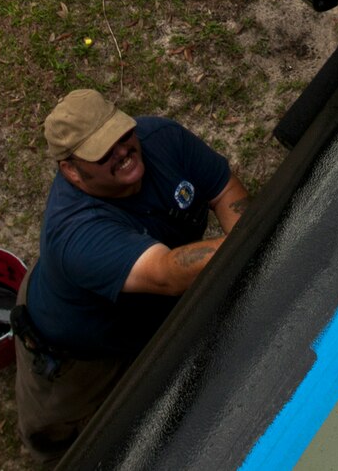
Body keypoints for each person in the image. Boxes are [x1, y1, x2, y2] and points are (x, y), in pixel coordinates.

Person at [12, 88, 249, 462]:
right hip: (77, 346)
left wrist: (249, 238)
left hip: (144, 316)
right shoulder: (76, 232)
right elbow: (167, 273)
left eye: (122, 135)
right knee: (62, 434)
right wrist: (257, 238)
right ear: (71, 170)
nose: (122, 151)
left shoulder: (161, 137)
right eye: (102, 152)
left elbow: (223, 190)